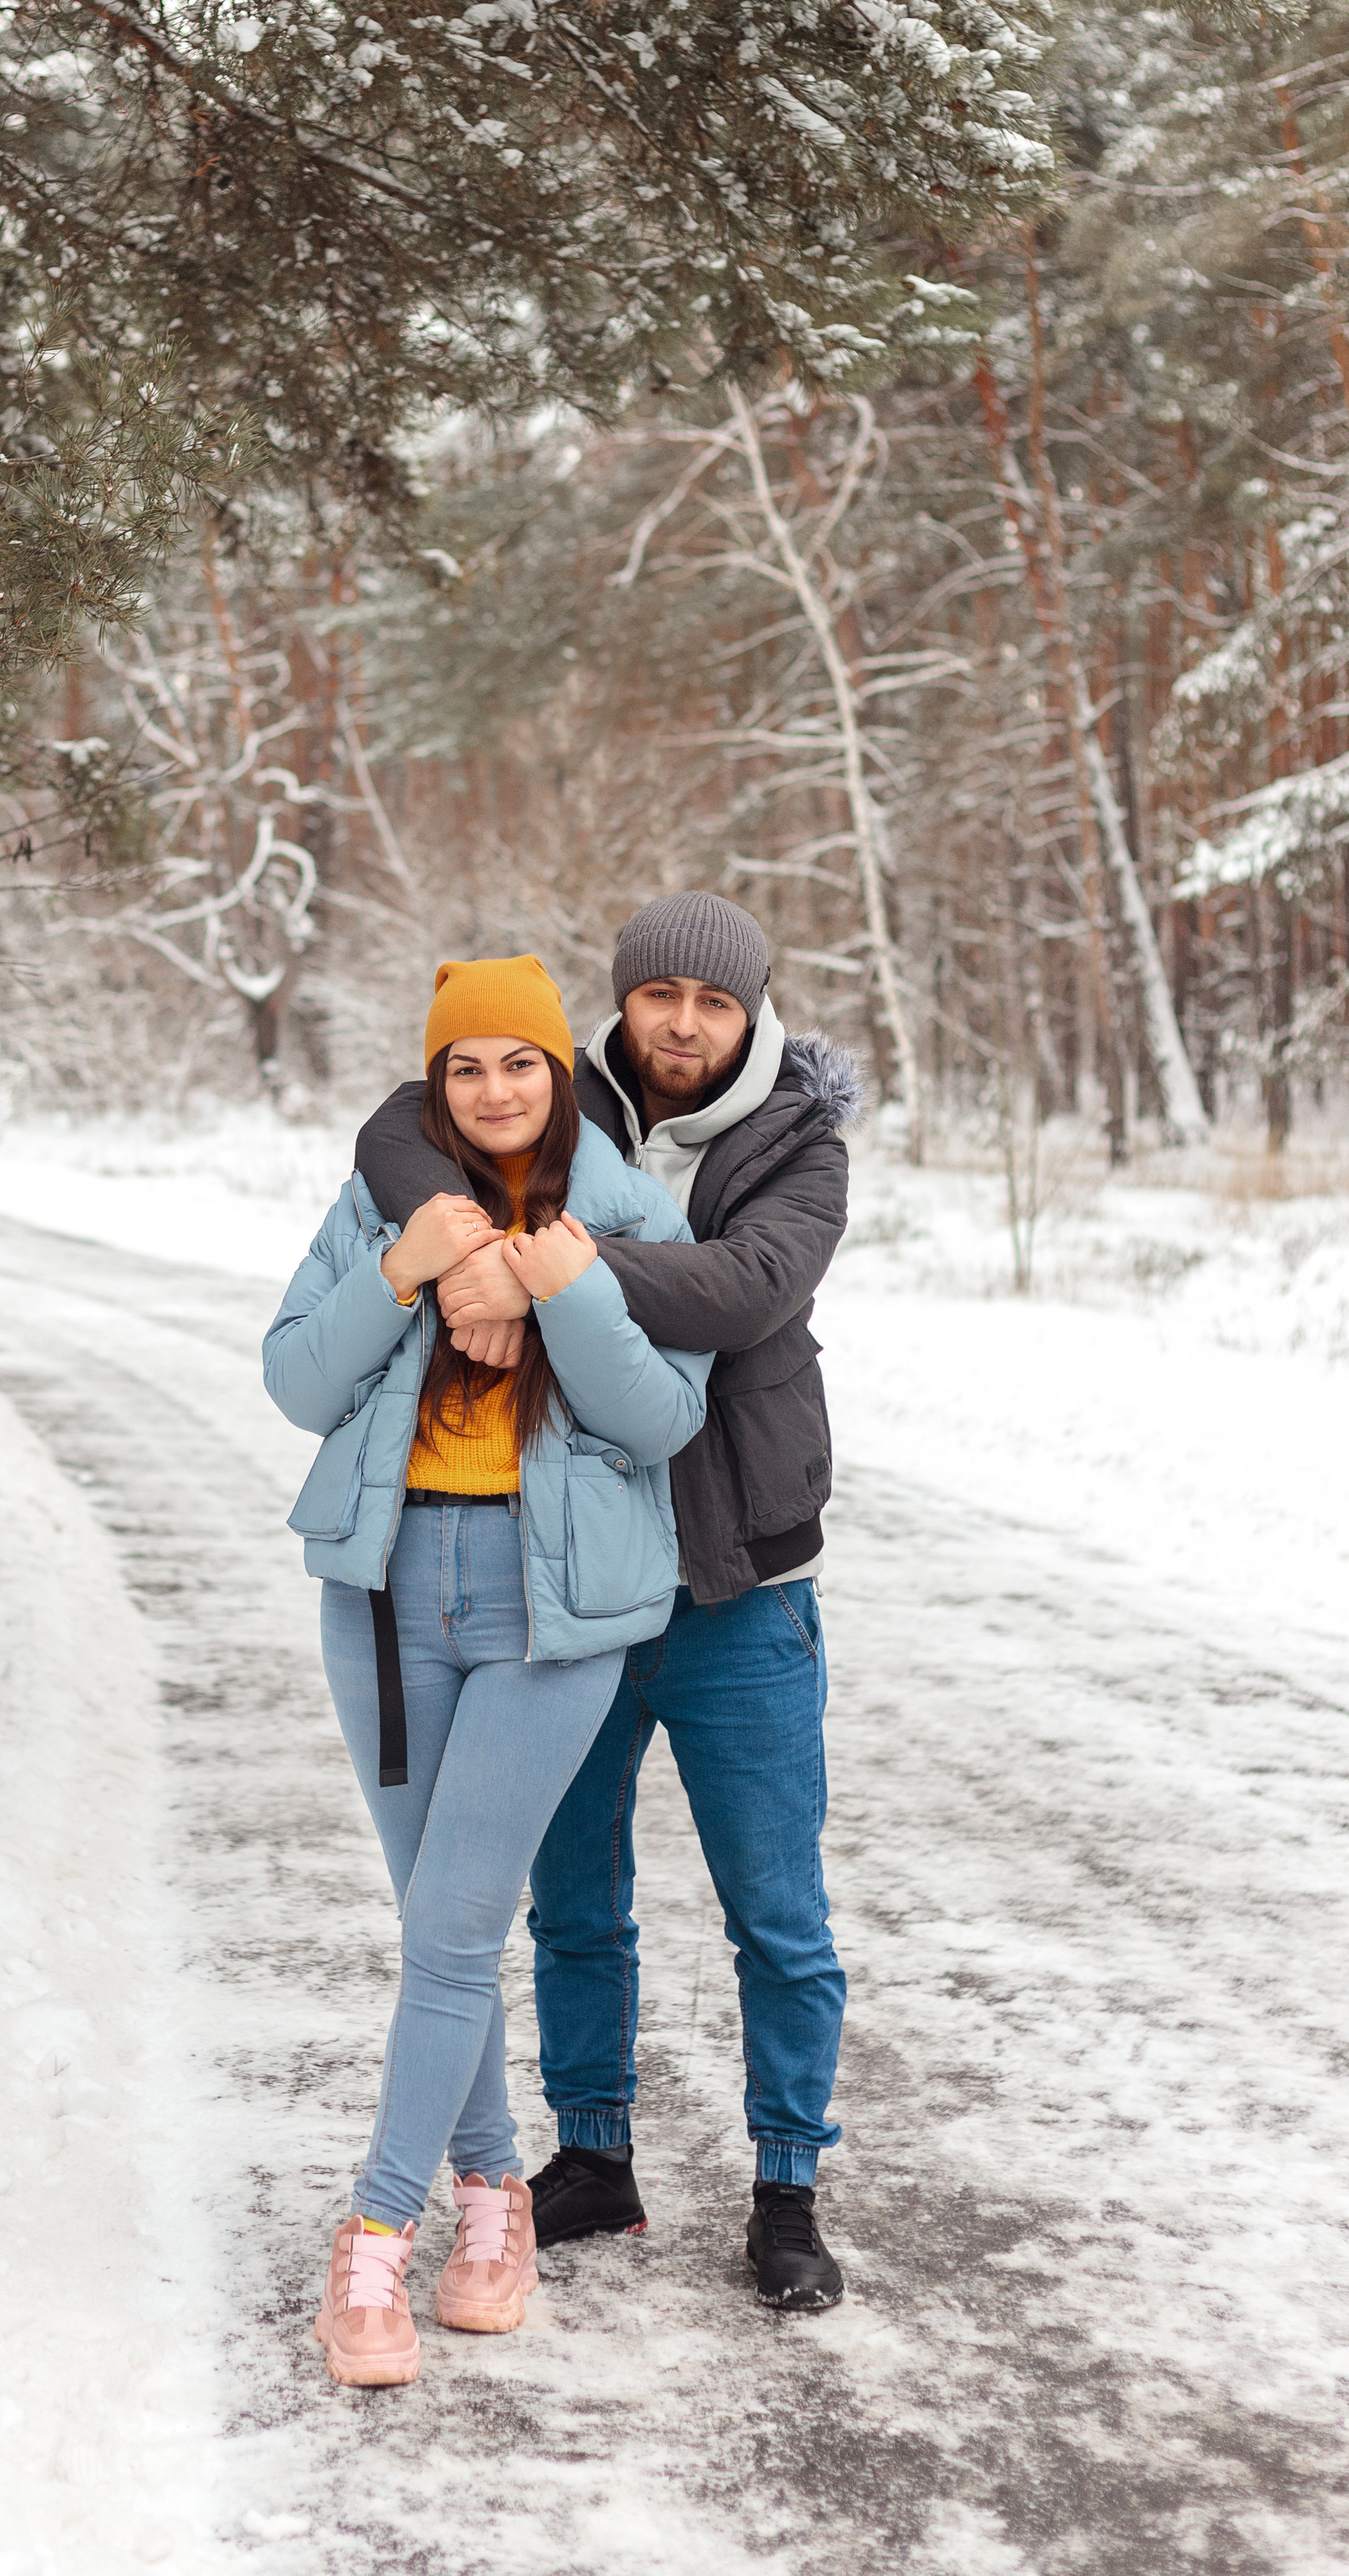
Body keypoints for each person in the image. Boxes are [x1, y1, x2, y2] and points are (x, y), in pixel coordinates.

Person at [355, 891, 859, 2312]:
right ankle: (591, 2154)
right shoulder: (542, 1092)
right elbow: (395, 1129)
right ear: (621, 1003)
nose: (682, 1025)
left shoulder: (797, 1141)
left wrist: (535, 1264)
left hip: (739, 1584)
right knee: (571, 1899)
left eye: (711, 1002)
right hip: (570, 1585)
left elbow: (745, 1289)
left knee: (773, 1908)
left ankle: (784, 2187)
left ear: (750, 1012)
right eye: (658, 998)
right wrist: (453, 1238)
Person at [263, 954, 712, 2389]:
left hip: (548, 1617)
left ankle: (377, 2239)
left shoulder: (632, 1217)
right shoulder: (382, 1207)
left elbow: (659, 1422)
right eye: (464, 1067)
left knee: (455, 1930)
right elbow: (293, 1383)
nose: (496, 1089)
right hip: (387, 1609)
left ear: (556, 1069)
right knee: (435, 1932)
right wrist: (402, 1271)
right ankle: (493, 2199)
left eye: (519, 1061)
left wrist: (566, 1293)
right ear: (435, 1082)